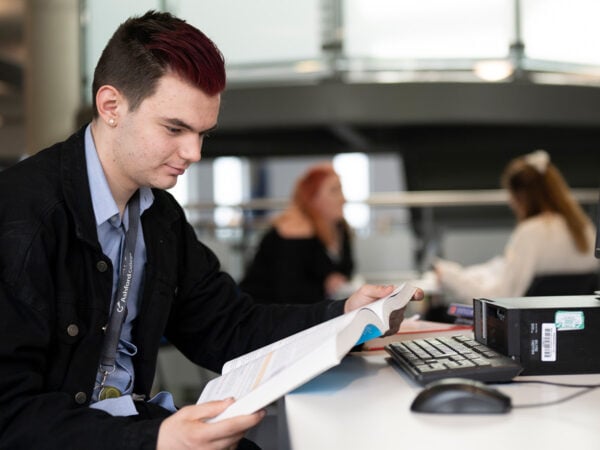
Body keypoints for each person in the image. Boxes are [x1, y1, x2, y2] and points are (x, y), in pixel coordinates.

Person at [0, 11, 422, 450]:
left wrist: (344, 315)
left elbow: (230, 327)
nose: (194, 153)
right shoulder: (20, 215)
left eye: (203, 133)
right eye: (175, 128)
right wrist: (155, 438)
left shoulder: (158, 216)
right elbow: (9, 413)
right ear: (111, 107)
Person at [434, 149, 598, 303]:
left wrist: (450, 277)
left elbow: (500, 298)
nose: (510, 203)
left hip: (529, 325)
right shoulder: (585, 228)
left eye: (511, 195)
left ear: (521, 196)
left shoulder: (531, 232)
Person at [239, 163, 355, 304]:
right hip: (268, 312)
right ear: (313, 198)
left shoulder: (339, 228)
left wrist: (334, 281)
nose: (343, 199)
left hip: (310, 312)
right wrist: (326, 285)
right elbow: (289, 293)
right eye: (334, 191)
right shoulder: (291, 232)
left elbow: (346, 269)